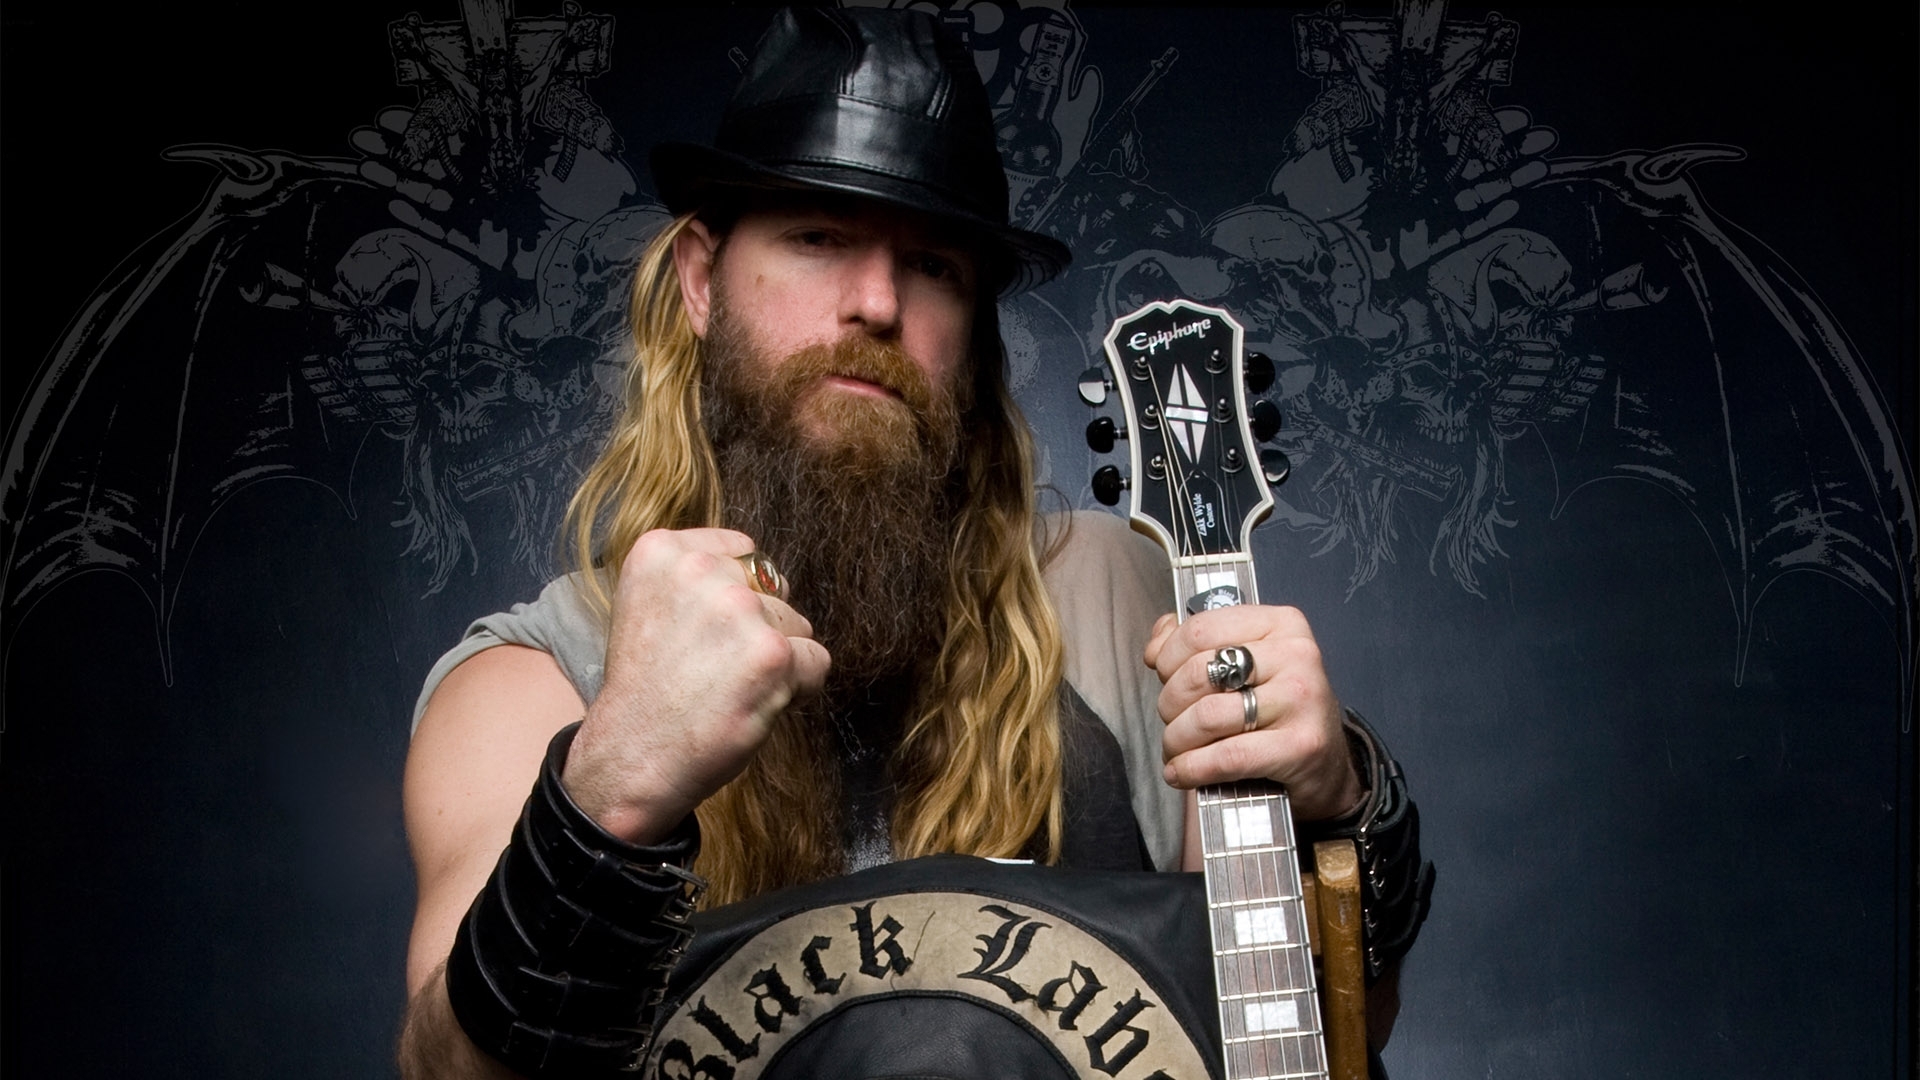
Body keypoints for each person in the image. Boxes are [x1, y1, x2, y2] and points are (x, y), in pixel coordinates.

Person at [398, 8, 1430, 1078]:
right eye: (818, 237)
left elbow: (1316, 1034)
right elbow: (447, 1071)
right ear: (701, 280)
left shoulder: (1117, 598)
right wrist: (608, 791)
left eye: (933, 265)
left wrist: (1345, 806)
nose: (879, 303)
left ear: (973, 333)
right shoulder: (532, 683)